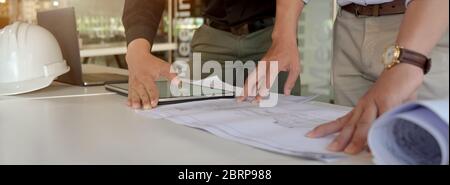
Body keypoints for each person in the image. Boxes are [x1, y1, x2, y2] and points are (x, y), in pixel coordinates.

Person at [242, 0, 449, 155]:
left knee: (420, 146)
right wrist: (283, 35)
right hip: (348, 22)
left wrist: (409, 58)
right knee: (351, 148)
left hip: (420, 24)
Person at [122, 0, 306, 110]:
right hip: (213, 39)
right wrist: (137, 50)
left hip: (273, 39)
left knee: (281, 129)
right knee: (202, 141)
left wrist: (284, 32)